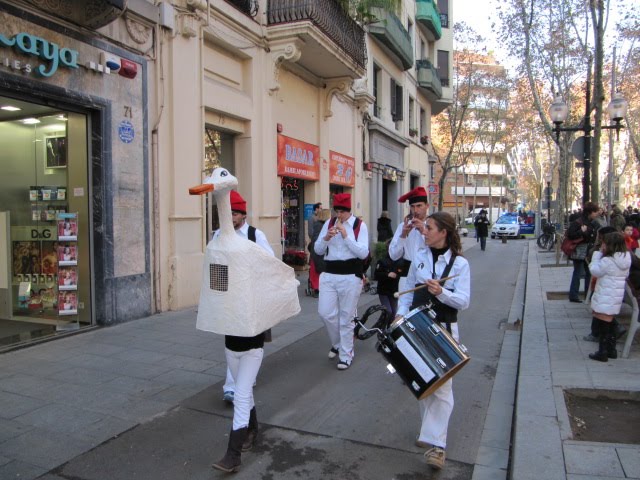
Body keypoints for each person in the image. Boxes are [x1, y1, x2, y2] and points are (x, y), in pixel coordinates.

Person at [395, 212, 471, 471]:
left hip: (445, 330)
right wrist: (399, 315)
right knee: (424, 385)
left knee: (442, 389)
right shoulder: (419, 257)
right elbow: (407, 291)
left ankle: (437, 446)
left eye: (429, 227)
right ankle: (430, 435)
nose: (424, 231)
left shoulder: (460, 265)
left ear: (444, 232)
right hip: (418, 328)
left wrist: (442, 293)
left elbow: (464, 300)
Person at [212, 190, 274, 473]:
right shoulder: (217, 237)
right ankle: (253, 428)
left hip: (252, 325)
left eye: (235, 214)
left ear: (243, 214)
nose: (231, 218)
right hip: (230, 324)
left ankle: (233, 454)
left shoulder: (255, 236)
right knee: (242, 388)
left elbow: (271, 268)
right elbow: (214, 277)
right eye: (228, 214)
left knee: (240, 392)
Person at [314, 193, 369, 370]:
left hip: (350, 275)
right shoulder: (329, 223)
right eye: (336, 211)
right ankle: (338, 343)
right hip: (330, 274)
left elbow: (363, 253)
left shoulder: (360, 226)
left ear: (349, 210)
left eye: (342, 212)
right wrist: (326, 238)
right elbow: (318, 250)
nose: (339, 215)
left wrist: (346, 236)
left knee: (346, 317)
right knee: (325, 313)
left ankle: (346, 355)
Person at [588, 231, 631, 362]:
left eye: (604, 244)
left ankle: (603, 351)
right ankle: (611, 349)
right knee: (608, 320)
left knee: (603, 324)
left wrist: (596, 255)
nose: (602, 246)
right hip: (615, 294)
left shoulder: (608, 260)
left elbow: (594, 270)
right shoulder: (625, 258)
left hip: (605, 294)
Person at [389, 187, 430, 295]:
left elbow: (438, 248)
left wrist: (424, 231)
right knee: (404, 308)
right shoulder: (403, 226)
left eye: (419, 206)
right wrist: (403, 236)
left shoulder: (434, 226)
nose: (415, 210)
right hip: (406, 274)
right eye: (412, 206)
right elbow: (393, 255)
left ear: (427, 206)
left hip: (428, 273)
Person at [566, 202, 600, 303]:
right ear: (590, 212)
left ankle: (588, 294)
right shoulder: (579, 222)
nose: (597, 214)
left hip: (589, 250)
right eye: (595, 212)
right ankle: (574, 295)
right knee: (578, 272)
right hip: (579, 250)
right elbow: (570, 234)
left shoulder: (593, 222)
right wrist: (582, 232)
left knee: (588, 273)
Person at [373, 239, 403, 317]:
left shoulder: (401, 262)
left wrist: (398, 275)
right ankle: (382, 326)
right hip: (384, 291)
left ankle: (389, 328)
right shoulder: (382, 261)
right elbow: (376, 275)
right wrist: (387, 274)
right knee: (388, 311)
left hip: (394, 291)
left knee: (394, 312)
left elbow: (404, 275)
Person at [307, 209, 331, 296]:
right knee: (317, 271)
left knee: (318, 271)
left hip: (319, 252)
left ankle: (318, 288)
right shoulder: (320, 225)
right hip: (318, 252)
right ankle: (317, 289)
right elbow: (316, 239)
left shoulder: (321, 225)